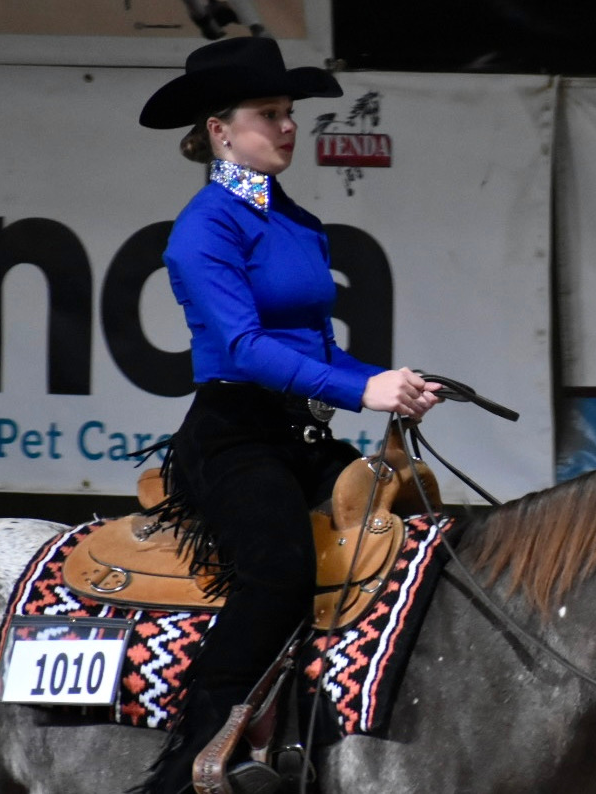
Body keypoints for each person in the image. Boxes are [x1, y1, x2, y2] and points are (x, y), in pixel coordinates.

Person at [134, 36, 441, 792]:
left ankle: (329, 724)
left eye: (288, 112)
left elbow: (317, 348)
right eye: (268, 114)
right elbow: (243, 348)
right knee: (279, 569)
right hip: (233, 437)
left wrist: (390, 381)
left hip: (300, 437)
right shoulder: (204, 227)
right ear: (219, 131)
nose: (288, 126)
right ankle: (198, 761)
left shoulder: (297, 220)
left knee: (413, 534)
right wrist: (361, 393)